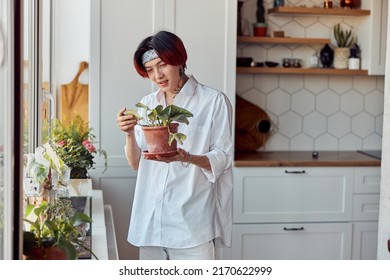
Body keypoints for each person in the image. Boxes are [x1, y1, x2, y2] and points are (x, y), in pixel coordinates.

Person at [116, 30, 233, 260]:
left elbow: (224, 157)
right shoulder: (148, 105)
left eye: (162, 65)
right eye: (149, 70)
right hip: (150, 225)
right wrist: (129, 133)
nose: (157, 75)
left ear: (179, 60)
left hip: (191, 228)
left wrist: (186, 157)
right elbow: (135, 163)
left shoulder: (213, 101)